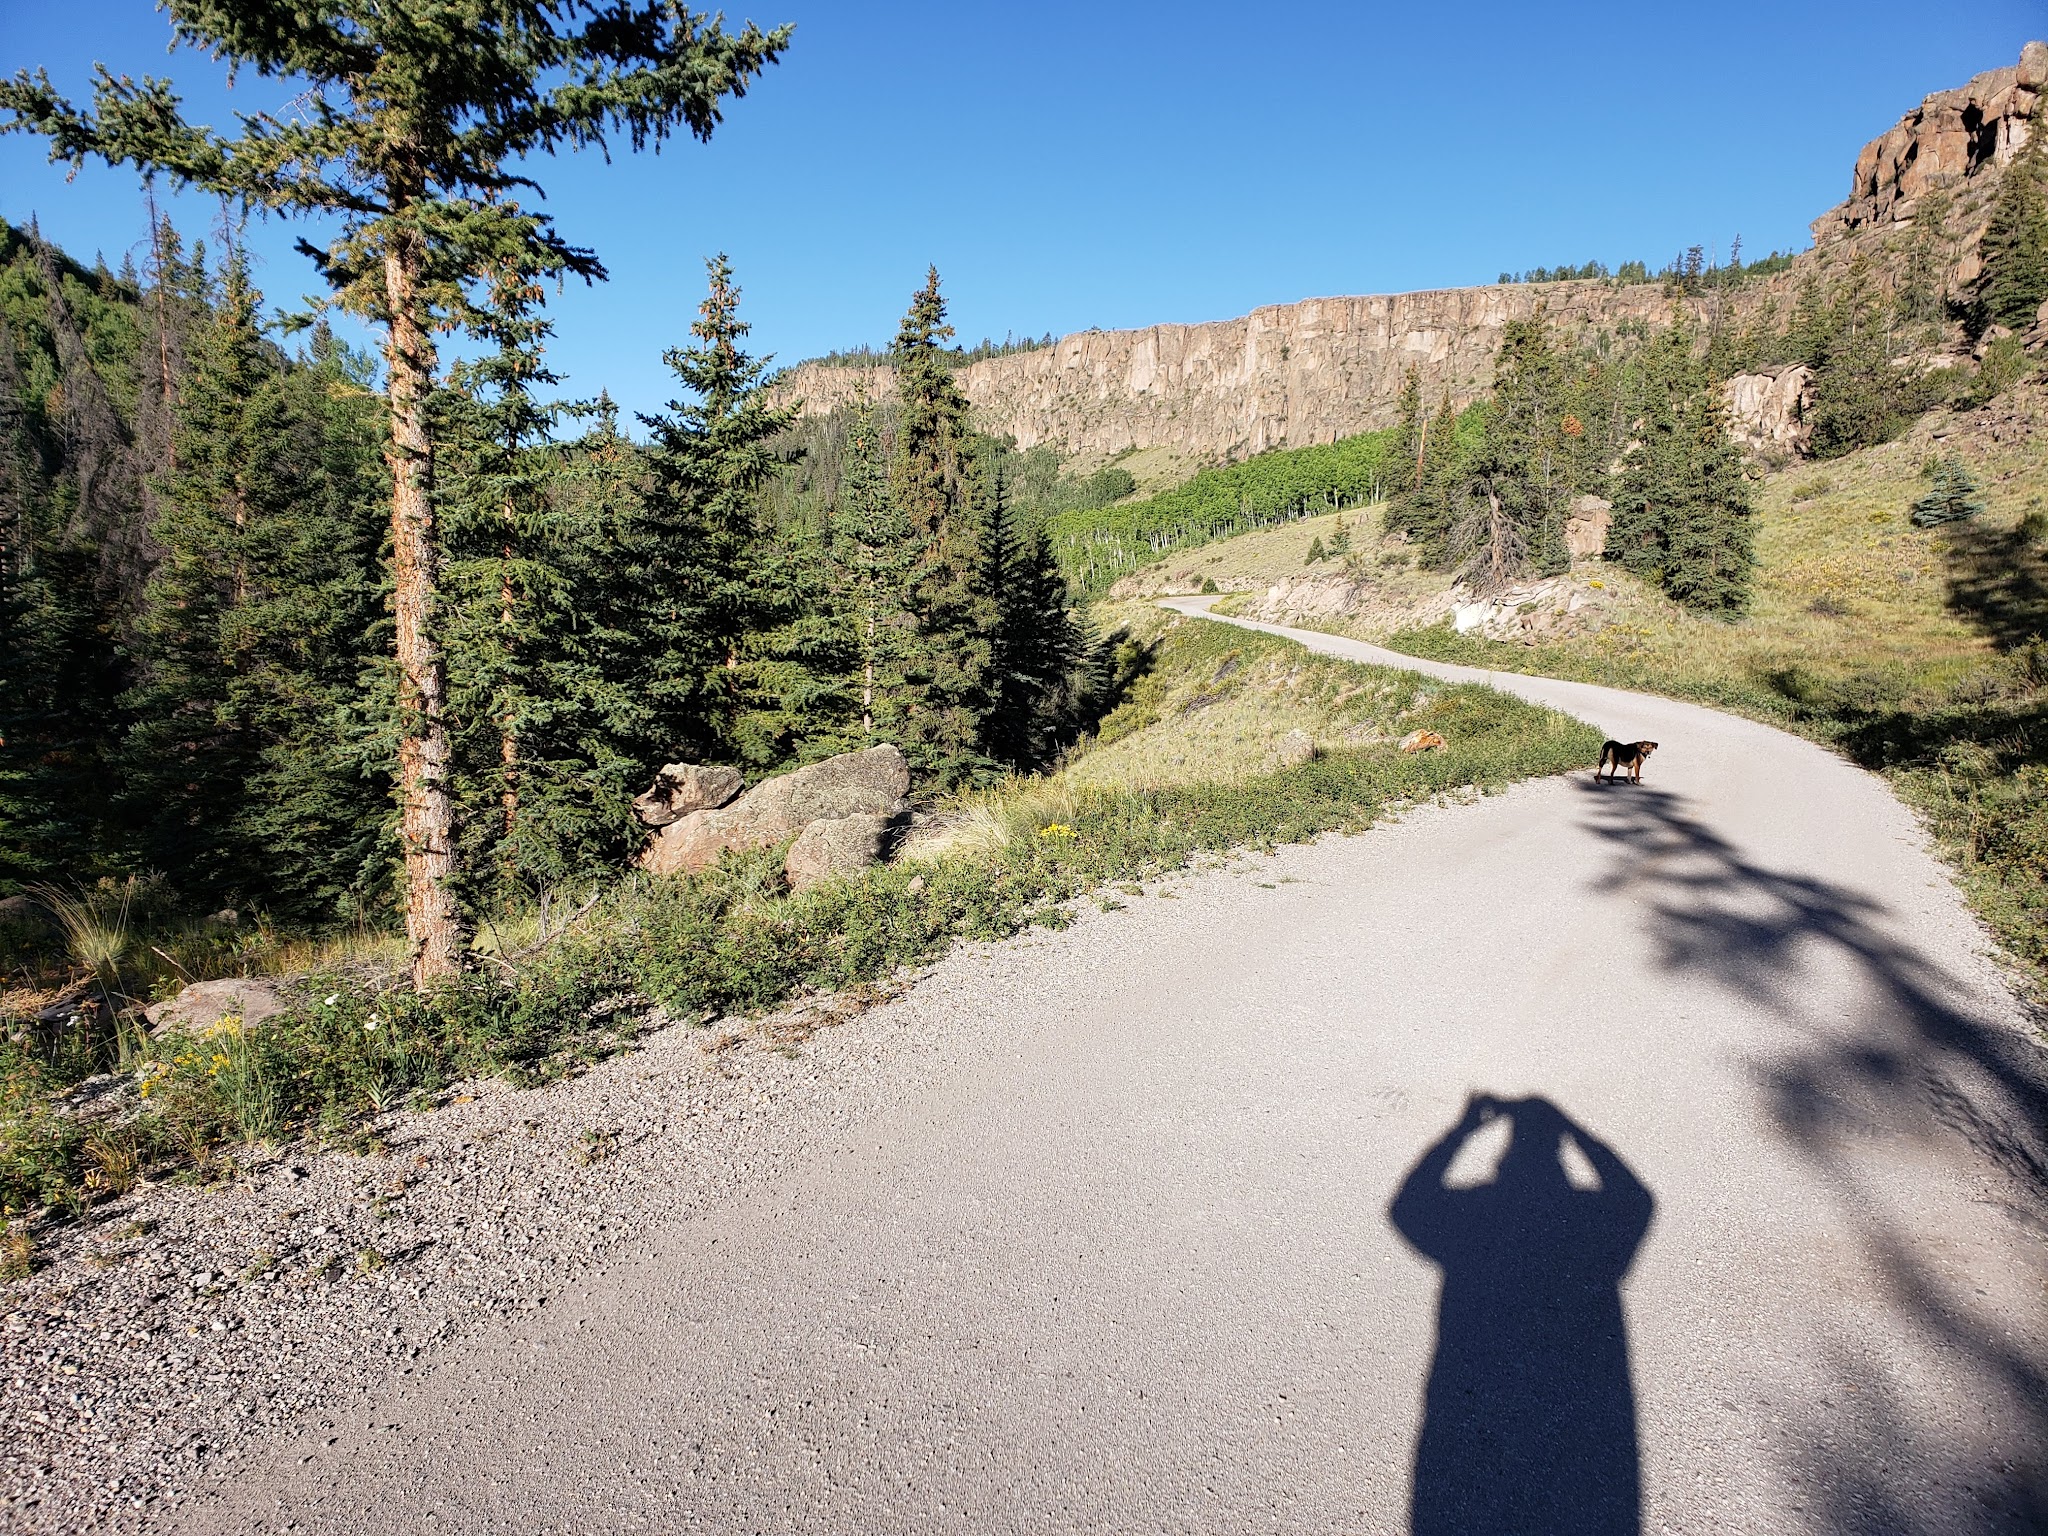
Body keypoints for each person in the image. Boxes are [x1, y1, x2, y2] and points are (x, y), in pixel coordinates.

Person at [1388, 1094, 1655, 1536]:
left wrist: (1463, 1129)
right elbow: (1638, 1199)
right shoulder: (1589, 1217)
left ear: (1501, 1164)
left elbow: (1407, 1207)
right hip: (1578, 1425)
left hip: (1466, 1406)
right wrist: (1571, 1126)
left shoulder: (1475, 1213)